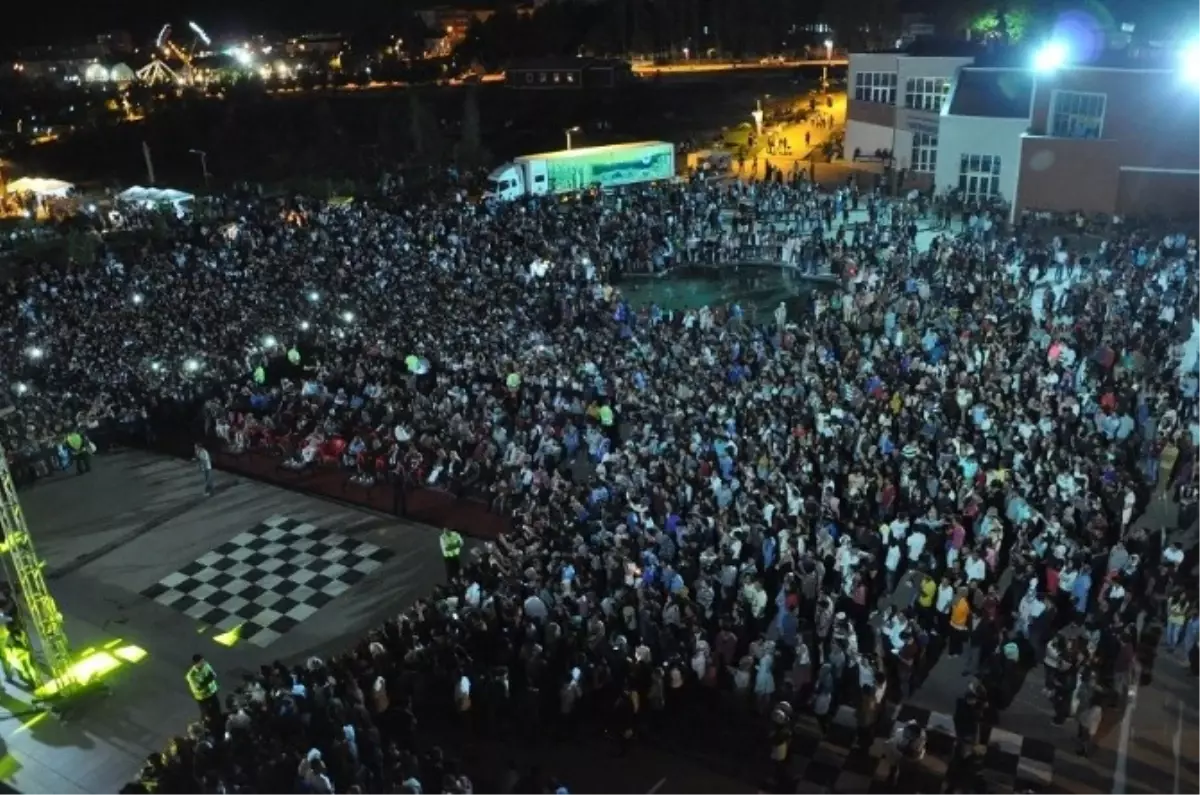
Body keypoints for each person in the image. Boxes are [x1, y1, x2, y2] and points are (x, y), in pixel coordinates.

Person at [186, 653, 221, 731]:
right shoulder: (192, 675)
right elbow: (197, 688)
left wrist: (210, 679)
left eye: (203, 660)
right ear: (196, 664)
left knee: (217, 709)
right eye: (201, 662)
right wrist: (208, 680)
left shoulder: (206, 665)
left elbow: (213, 674)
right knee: (206, 714)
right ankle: (204, 728)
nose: (203, 662)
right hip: (203, 697)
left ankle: (218, 724)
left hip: (212, 692)